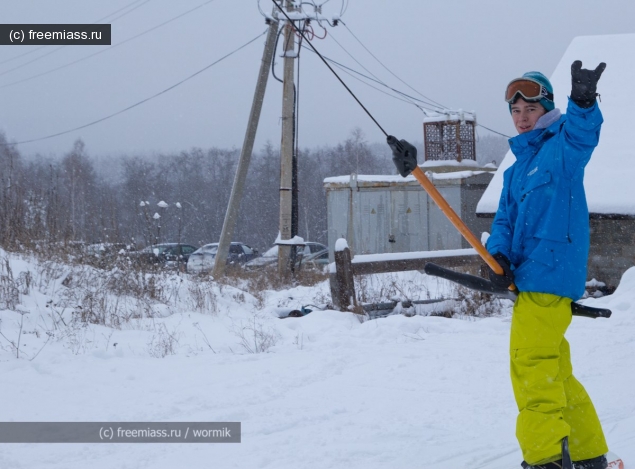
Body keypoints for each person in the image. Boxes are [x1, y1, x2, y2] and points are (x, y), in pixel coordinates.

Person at [486, 61, 608, 469]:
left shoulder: (562, 147)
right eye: (516, 112)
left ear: (548, 109)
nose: (522, 119)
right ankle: (589, 454)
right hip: (530, 276)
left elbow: (584, 132)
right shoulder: (516, 168)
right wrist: (498, 256)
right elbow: (504, 220)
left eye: (531, 110)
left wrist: (584, 102)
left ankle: (545, 459)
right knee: (555, 371)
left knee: (532, 369)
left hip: (549, 271)